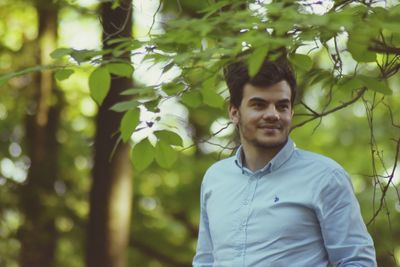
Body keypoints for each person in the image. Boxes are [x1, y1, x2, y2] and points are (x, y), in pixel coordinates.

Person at [192, 59, 377, 267]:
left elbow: (358, 262)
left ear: (291, 112)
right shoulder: (215, 178)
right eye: (259, 105)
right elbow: (205, 261)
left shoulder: (326, 177)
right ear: (234, 113)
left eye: (282, 106)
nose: (273, 114)